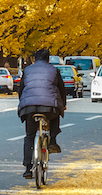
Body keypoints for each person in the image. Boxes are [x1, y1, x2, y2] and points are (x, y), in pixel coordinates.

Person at [17, 48, 67, 179]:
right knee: (55, 113)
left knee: (29, 136)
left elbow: (21, 89)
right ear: (48, 59)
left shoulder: (27, 70)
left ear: (34, 59)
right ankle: (53, 140)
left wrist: (22, 102)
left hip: (29, 108)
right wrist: (63, 105)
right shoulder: (54, 70)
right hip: (49, 108)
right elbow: (62, 90)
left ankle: (28, 168)